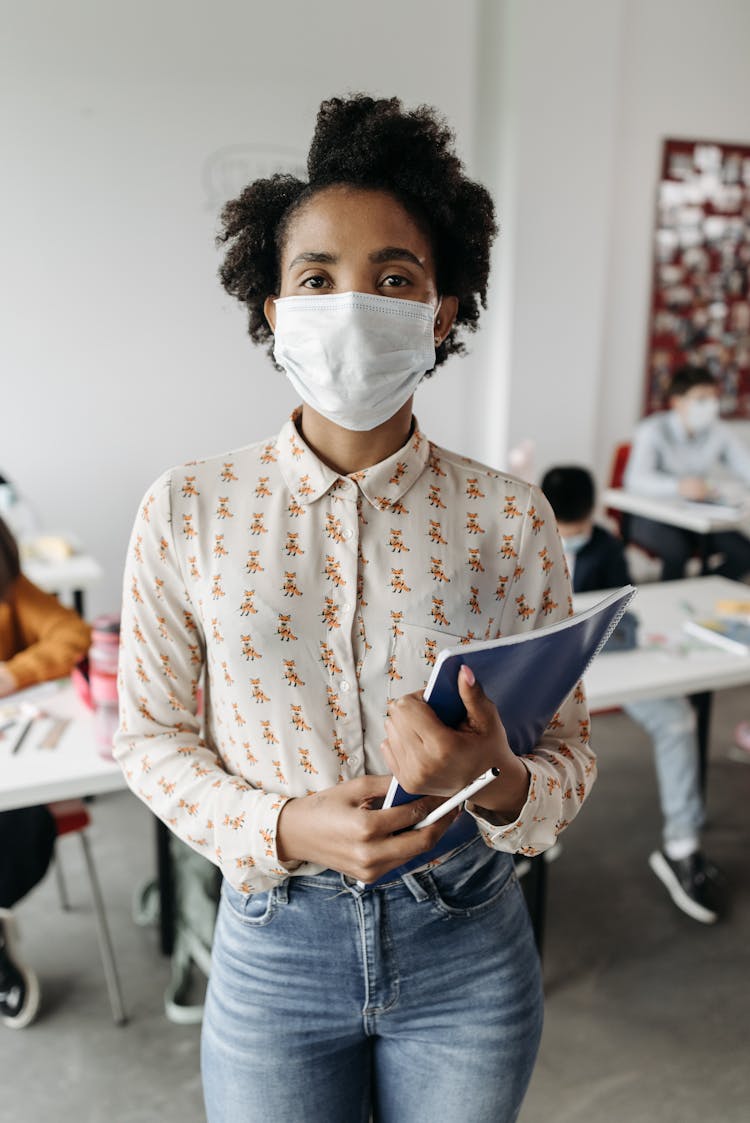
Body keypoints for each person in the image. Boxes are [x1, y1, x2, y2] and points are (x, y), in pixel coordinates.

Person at [115, 94, 596, 1123]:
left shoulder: (509, 518)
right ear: (272, 310)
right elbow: (149, 739)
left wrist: (495, 779)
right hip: (272, 942)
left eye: (394, 277)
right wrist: (280, 822)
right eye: (317, 277)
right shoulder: (186, 508)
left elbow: (570, 757)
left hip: (465, 936)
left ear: (443, 310)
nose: (351, 302)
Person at [541, 466, 722, 924]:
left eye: (576, 530)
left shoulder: (607, 546)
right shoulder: (524, 540)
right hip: (546, 675)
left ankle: (683, 846)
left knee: (678, 718)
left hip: (606, 663)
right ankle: (529, 832)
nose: (570, 537)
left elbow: (621, 614)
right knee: (517, 731)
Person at [0, 515, 91, 1027]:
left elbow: (72, 634)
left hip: (14, 762)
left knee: (23, 822)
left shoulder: (12, 592)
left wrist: (14, 673)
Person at [624, 366, 750, 581]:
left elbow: (744, 464)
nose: (710, 405)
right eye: (701, 399)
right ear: (677, 402)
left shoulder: (718, 431)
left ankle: (705, 589)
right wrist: (678, 486)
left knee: (744, 553)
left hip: (696, 514)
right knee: (677, 551)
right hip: (653, 516)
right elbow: (635, 479)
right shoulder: (652, 431)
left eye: (713, 398)